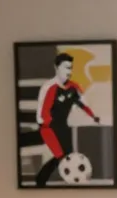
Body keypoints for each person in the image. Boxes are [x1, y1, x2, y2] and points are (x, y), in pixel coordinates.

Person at [35, 52, 100, 187]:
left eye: (71, 68)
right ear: (56, 68)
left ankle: (68, 182)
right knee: (62, 156)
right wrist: (46, 126)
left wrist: (93, 116)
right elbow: (41, 115)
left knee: (67, 156)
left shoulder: (74, 87)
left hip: (63, 127)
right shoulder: (49, 87)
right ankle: (40, 180)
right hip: (49, 128)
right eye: (66, 67)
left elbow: (83, 104)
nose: (69, 71)